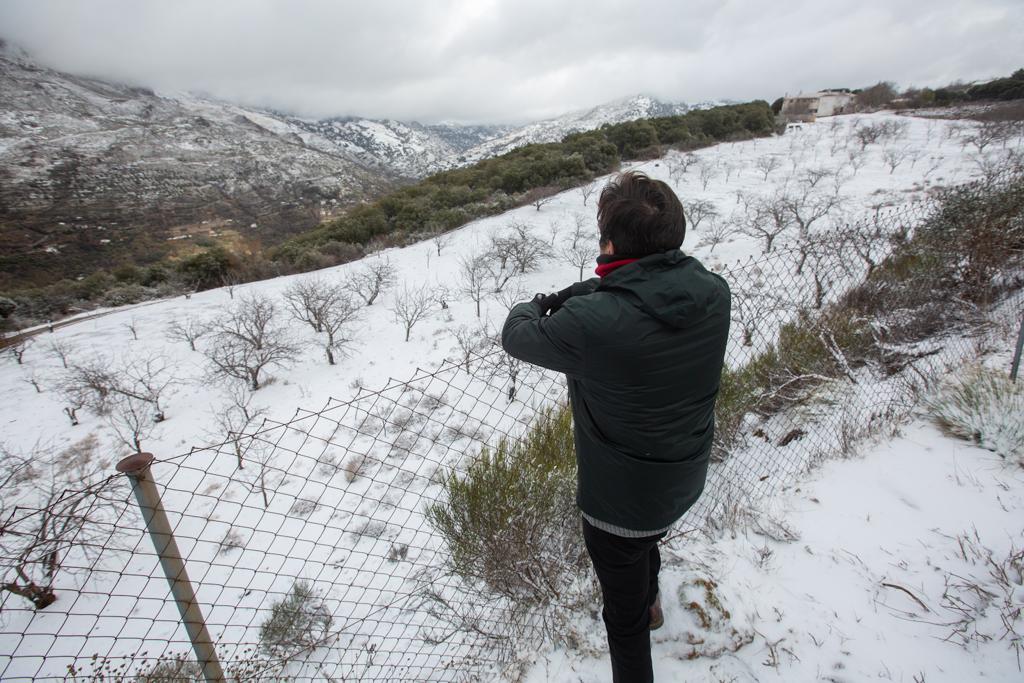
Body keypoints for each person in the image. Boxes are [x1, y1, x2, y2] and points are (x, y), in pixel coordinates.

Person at [500, 171, 731, 682]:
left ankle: (638, 619)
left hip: (619, 502)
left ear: (611, 243)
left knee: (619, 619)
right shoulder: (713, 292)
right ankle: (650, 603)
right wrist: (604, 286)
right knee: (646, 543)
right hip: (683, 472)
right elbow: (645, 300)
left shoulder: (594, 321)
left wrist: (548, 298)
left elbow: (517, 334)